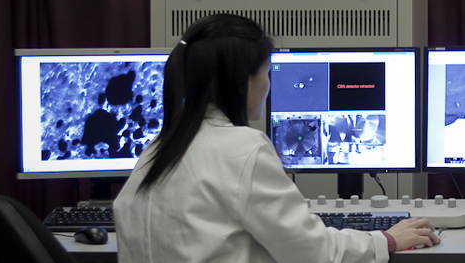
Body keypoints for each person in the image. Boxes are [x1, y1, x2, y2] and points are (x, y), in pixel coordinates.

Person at [114, 14, 439, 262]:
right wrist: (386, 240)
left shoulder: (155, 152)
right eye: (267, 72)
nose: (269, 86)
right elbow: (313, 252)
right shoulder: (243, 149)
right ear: (243, 80)